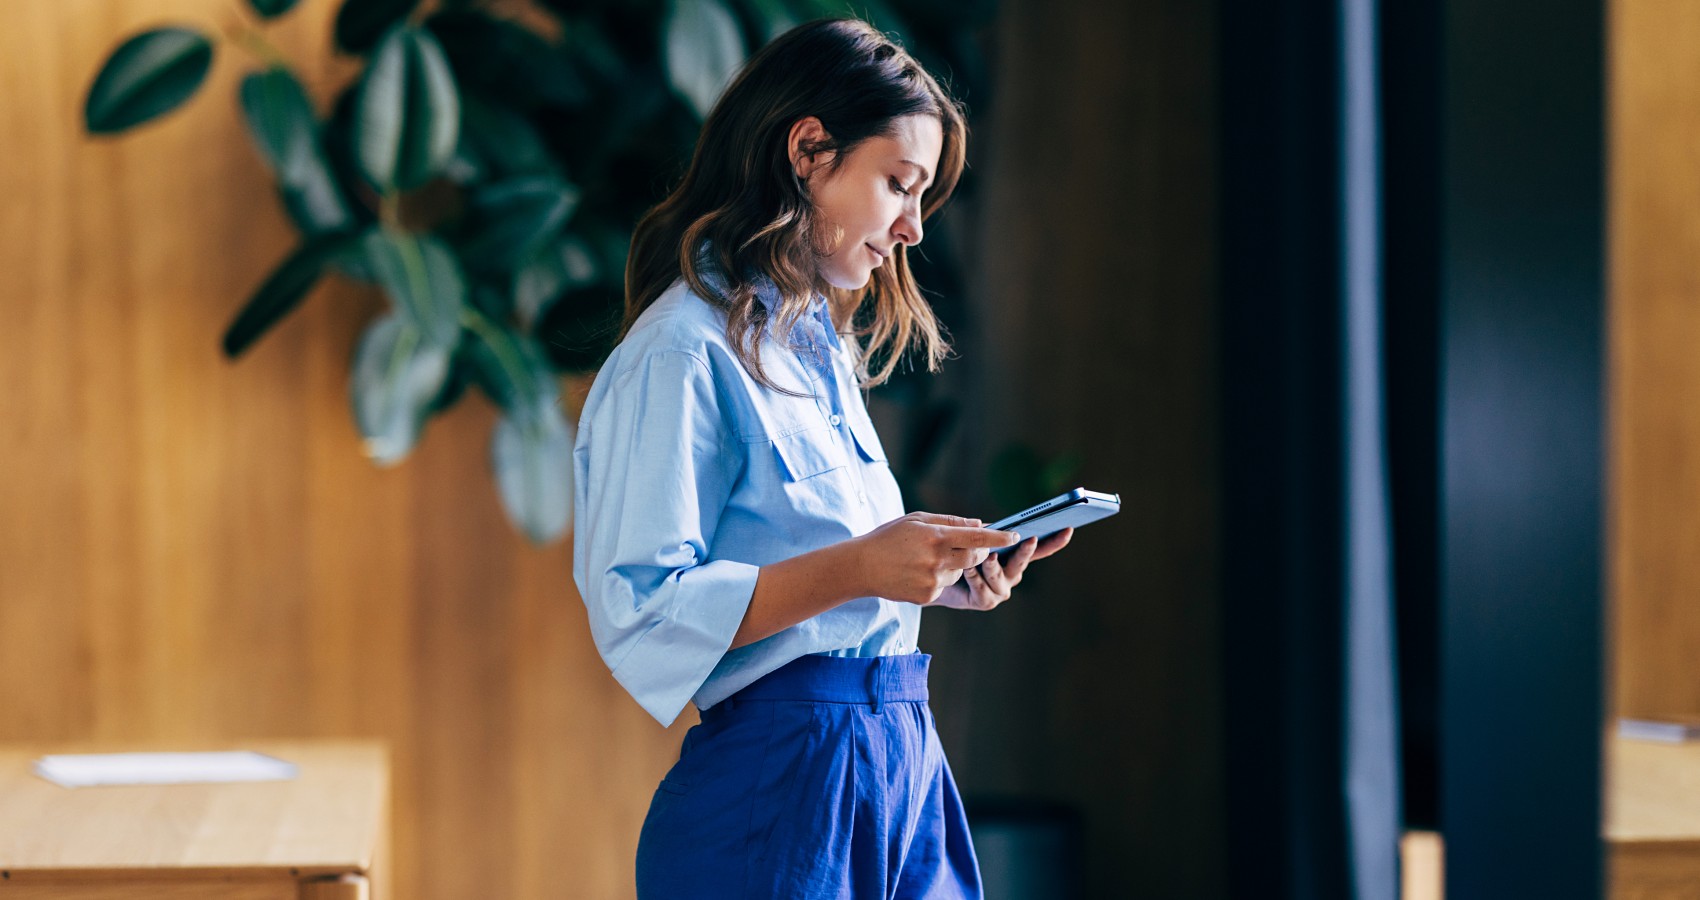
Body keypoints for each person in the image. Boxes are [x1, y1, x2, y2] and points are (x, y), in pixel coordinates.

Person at [572, 18, 1073, 898]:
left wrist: (928, 577)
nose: (915, 227)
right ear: (809, 150)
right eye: (899, 184)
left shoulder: (816, 350)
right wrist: (861, 566)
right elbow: (640, 607)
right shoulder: (681, 355)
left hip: (901, 767)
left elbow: (810, 567)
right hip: (784, 792)